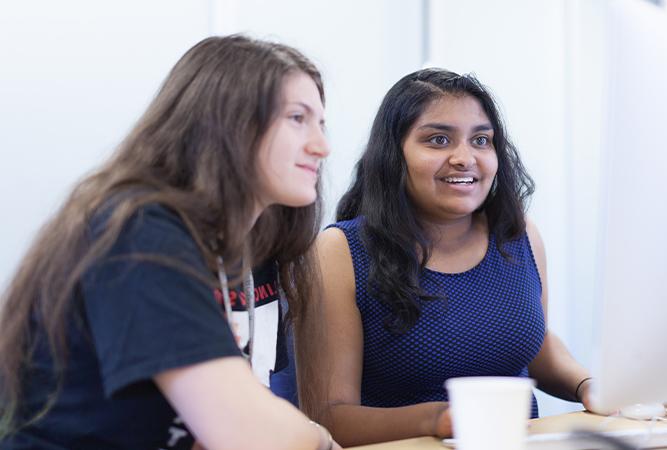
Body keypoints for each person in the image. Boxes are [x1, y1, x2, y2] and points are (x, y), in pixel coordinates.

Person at [0, 35, 339, 450]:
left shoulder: (223, 245)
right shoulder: (140, 233)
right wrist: (319, 439)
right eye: (297, 118)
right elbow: (247, 433)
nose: (322, 146)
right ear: (227, 122)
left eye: (321, 123)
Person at [309, 68, 597, 447]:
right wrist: (442, 418)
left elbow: (533, 342)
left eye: (481, 140)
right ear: (394, 154)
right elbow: (330, 415)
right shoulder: (340, 251)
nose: (465, 158)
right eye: (438, 140)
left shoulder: (519, 235)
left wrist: (589, 385)